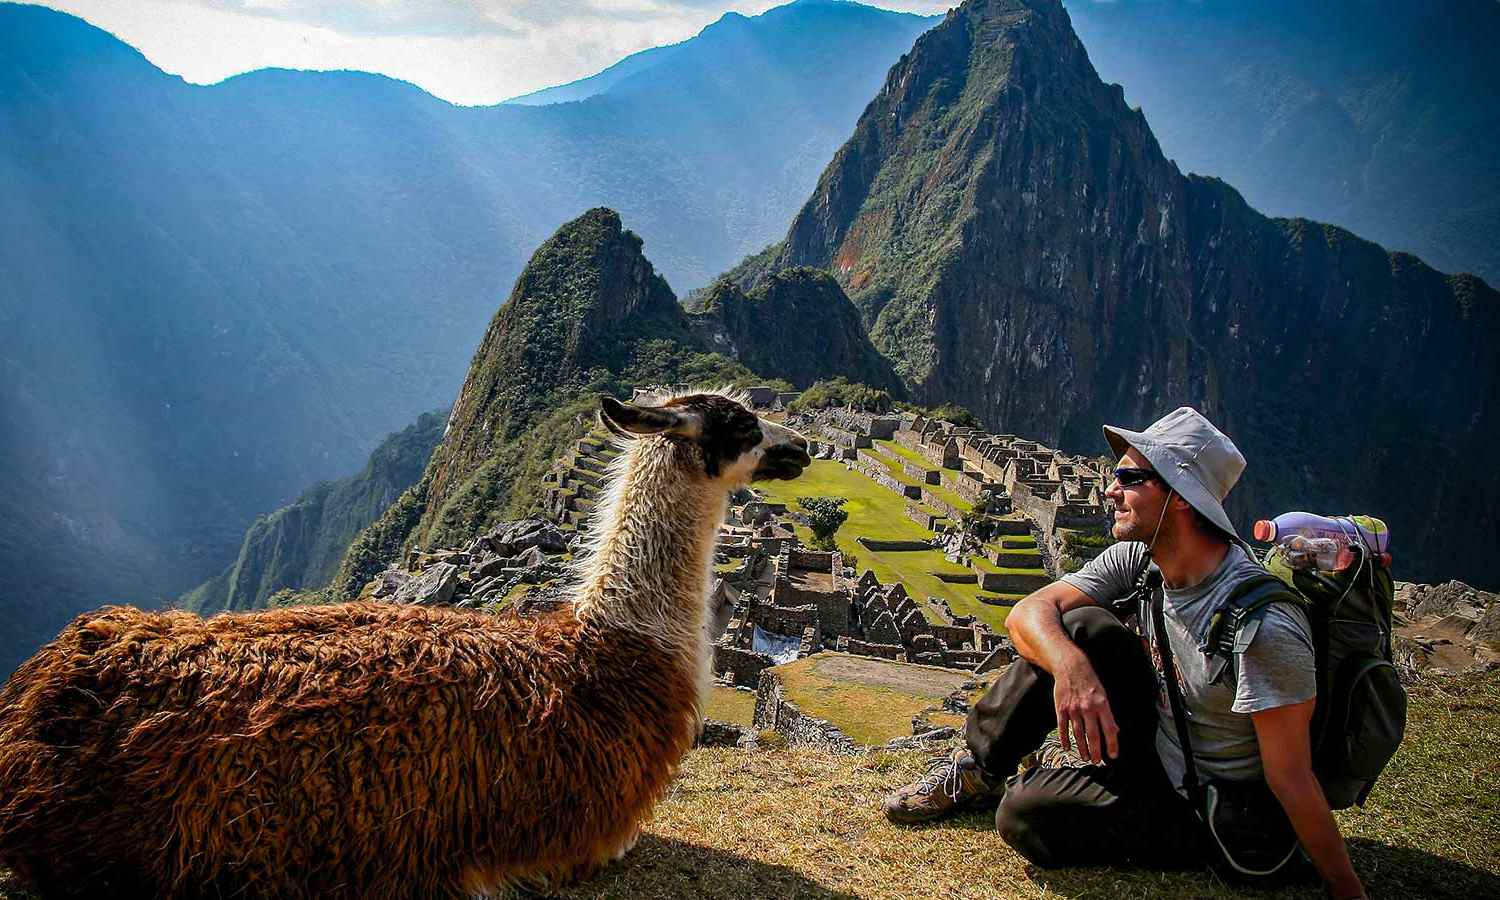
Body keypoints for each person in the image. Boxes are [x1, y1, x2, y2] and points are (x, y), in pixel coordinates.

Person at [882, 408, 1366, 900]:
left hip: (1207, 801)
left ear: (1179, 498)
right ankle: (977, 773)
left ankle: (1083, 802)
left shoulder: (1261, 626)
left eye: (1129, 478)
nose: (1110, 489)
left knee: (1025, 814)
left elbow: (1291, 776)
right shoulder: (1143, 557)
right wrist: (1072, 669)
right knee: (1076, 627)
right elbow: (1027, 613)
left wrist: (1345, 887)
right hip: (1154, 740)